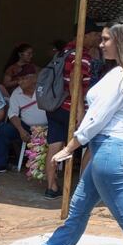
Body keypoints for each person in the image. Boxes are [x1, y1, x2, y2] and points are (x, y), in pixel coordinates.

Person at [24, 18, 123, 245]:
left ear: (120, 41)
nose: (102, 43)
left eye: (107, 39)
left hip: (110, 152)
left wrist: (71, 146)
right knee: (78, 209)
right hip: (111, 151)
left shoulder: (121, 76)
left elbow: (97, 117)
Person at [44, 20, 100, 200]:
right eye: (95, 35)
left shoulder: (63, 52)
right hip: (70, 108)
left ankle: (51, 187)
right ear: (85, 35)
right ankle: (83, 187)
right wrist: (79, 111)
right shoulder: (81, 55)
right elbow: (75, 82)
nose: (97, 39)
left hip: (55, 107)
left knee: (54, 146)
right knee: (93, 144)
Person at [0, 65, 47, 173]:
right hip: (26, 126)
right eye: (18, 79)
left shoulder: (44, 89)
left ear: (34, 78)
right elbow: (12, 114)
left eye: (23, 78)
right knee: (4, 130)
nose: (20, 82)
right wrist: (21, 130)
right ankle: (0, 164)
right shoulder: (17, 93)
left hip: (48, 127)